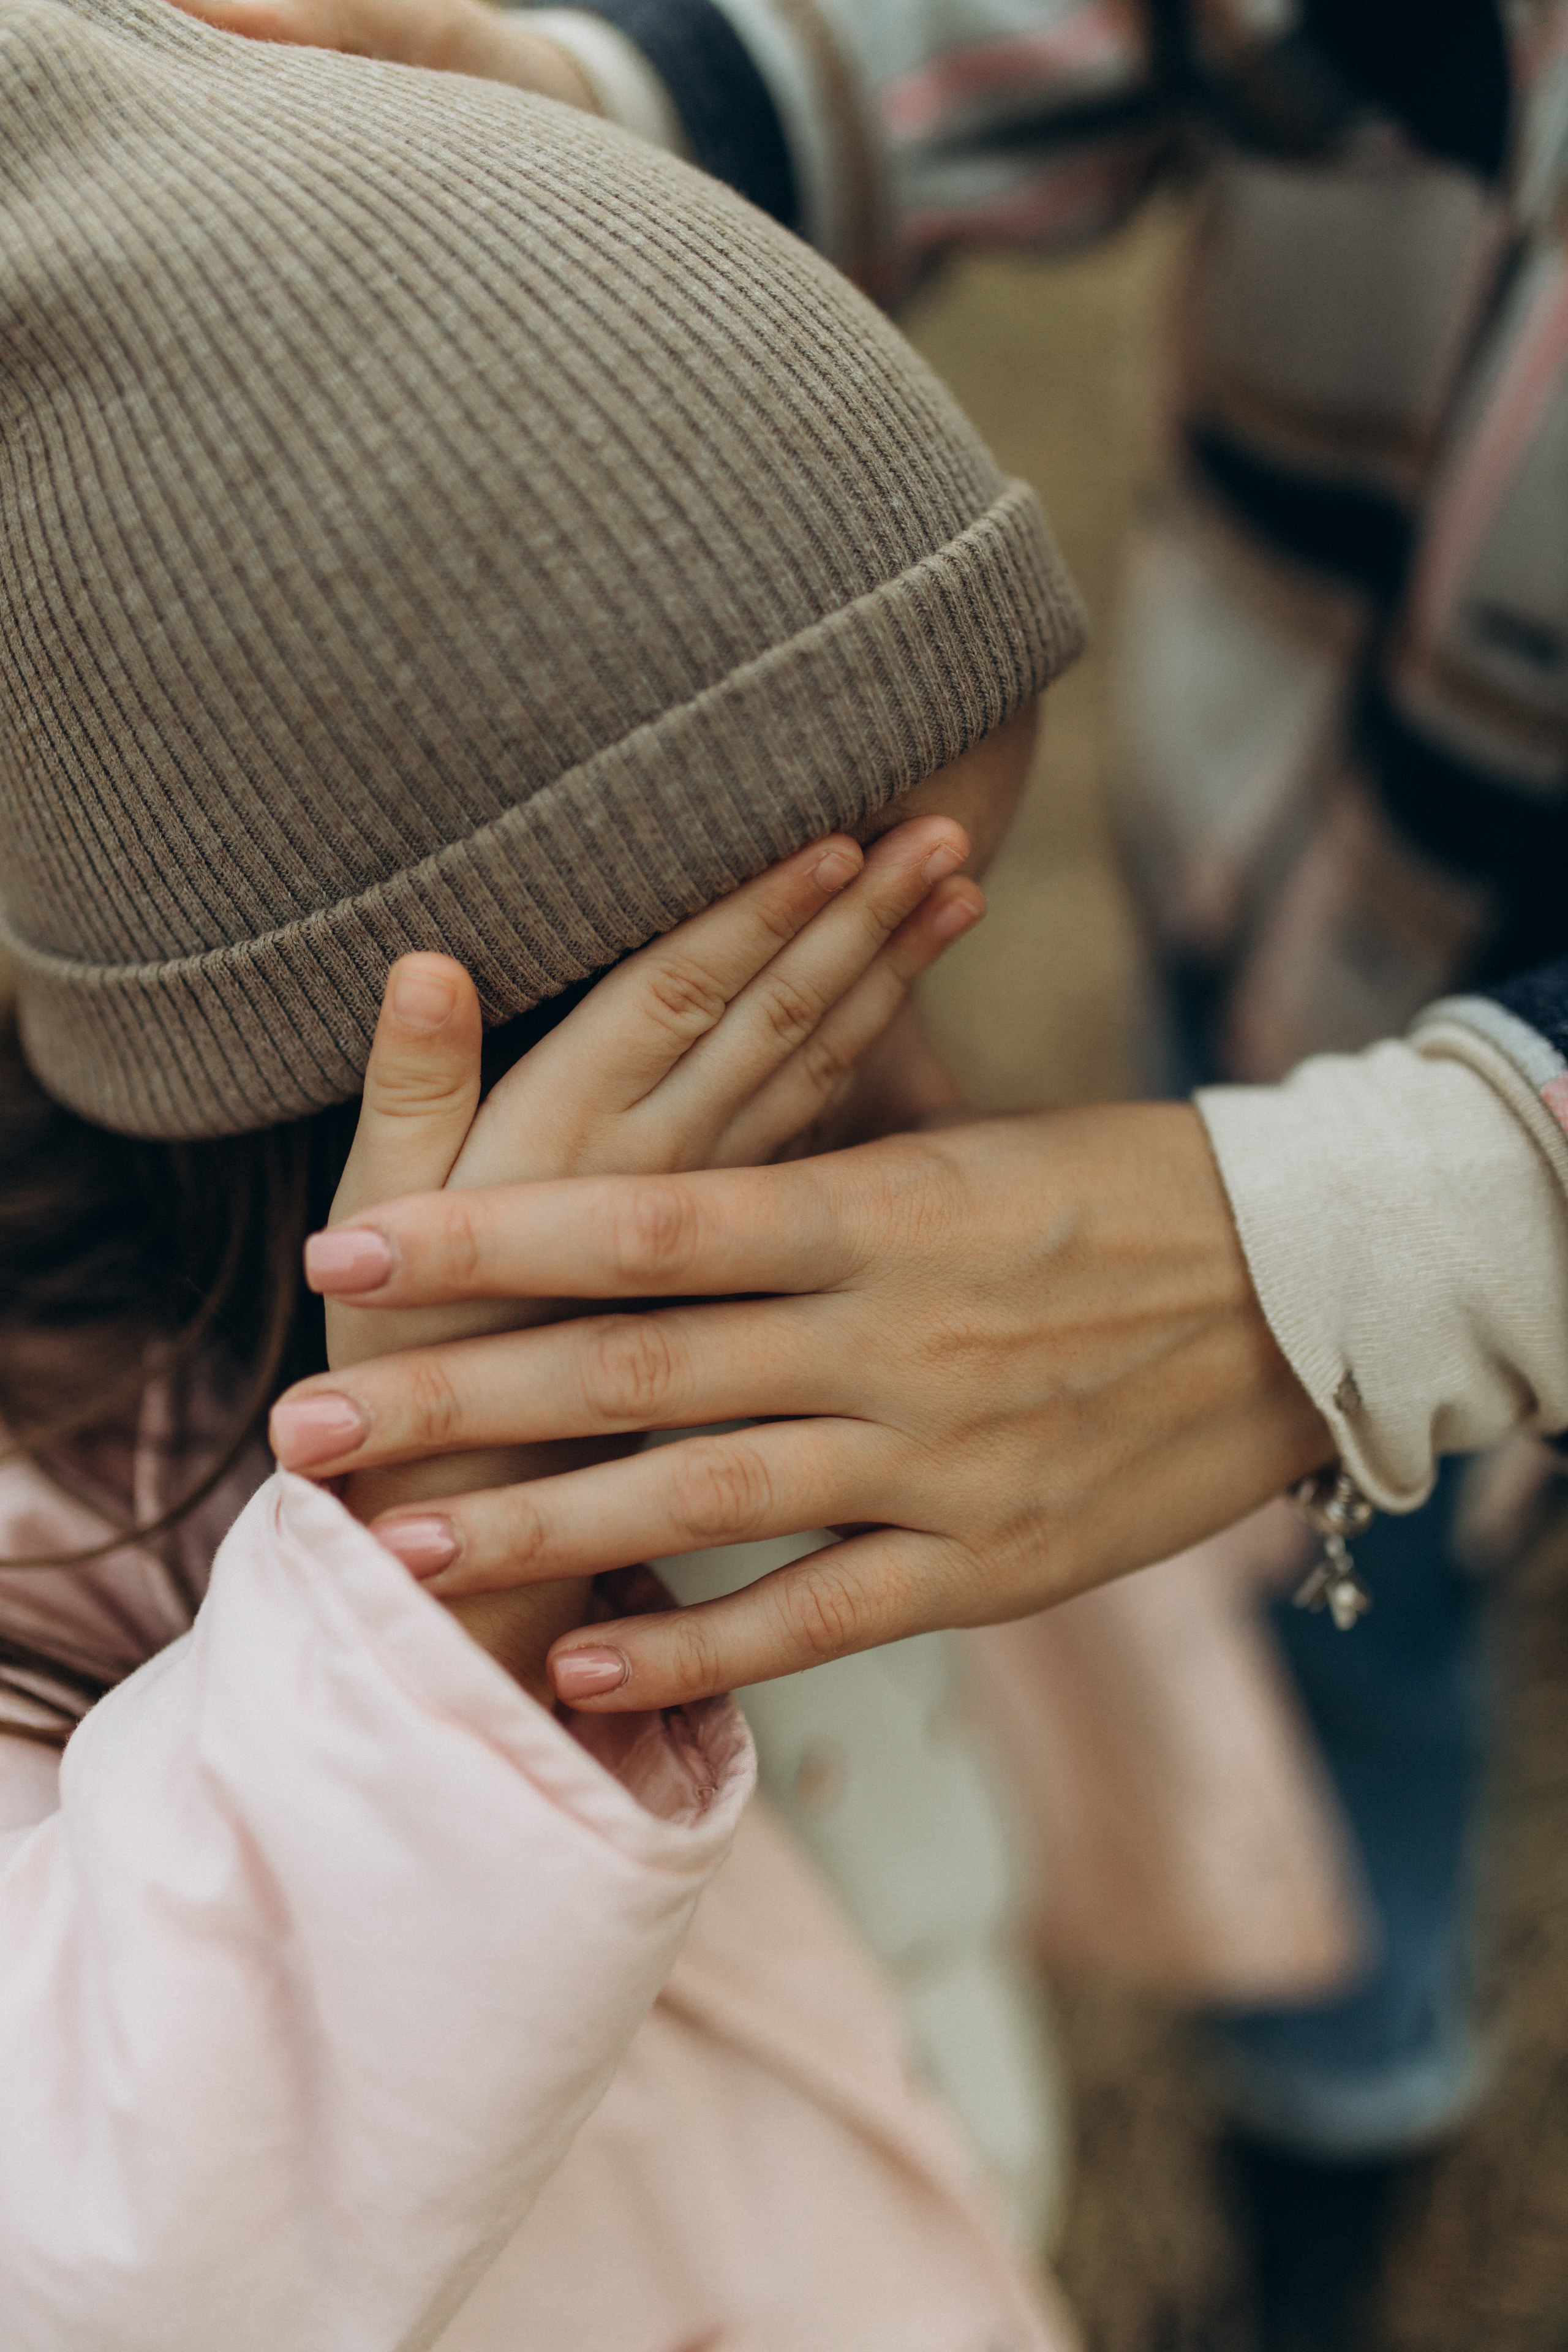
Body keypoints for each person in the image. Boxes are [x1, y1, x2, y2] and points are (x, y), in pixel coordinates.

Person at [216, 0, 1568, 2337]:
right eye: (785, 1033)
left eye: (848, 1024)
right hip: (1334, 896)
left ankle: (1339, 2123)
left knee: (1378, 1615)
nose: (880, 1098)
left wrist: (1409, 1242)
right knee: (1374, 1602)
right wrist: (634, 112)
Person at [0, 0, 1110, 2338]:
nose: (903, 1102)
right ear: (425, 1083)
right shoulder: (59, 1568)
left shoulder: (725, 1290)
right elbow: (112, 2247)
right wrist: (433, 1615)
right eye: (807, 1038)